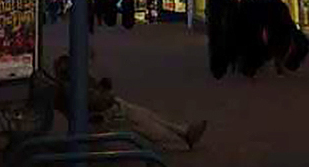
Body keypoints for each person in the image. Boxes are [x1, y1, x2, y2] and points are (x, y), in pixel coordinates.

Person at [52, 55, 206, 151]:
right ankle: (179, 141)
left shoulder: (72, 84)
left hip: (108, 108)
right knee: (142, 120)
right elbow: (98, 102)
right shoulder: (73, 87)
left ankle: (182, 131)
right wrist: (106, 91)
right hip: (105, 114)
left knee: (146, 114)